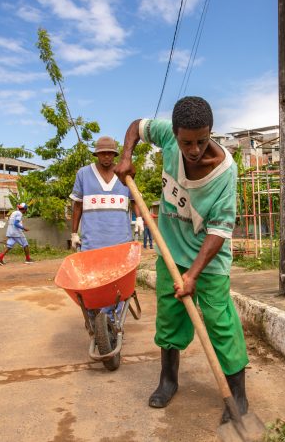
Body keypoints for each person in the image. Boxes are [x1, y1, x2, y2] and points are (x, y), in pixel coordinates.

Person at [115, 96, 250, 423]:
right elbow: (136, 126)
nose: (194, 149)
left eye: (202, 141)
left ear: (211, 133)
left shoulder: (223, 172)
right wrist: (126, 155)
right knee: (170, 318)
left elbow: (219, 229)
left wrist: (193, 275)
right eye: (186, 141)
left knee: (220, 322)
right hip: (170, 252)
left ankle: (239, 395)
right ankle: (168, 381)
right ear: (174, 134)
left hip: (209, 259)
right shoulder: (168, 139)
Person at [69, 136, 143, 252]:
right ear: (97, 154)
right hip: (92, 245)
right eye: (103, 153)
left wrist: (139, 218)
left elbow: (135, 199)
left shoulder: (124, 174)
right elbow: (77, 205)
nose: (107, 156)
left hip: (122, 243)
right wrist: (74, 233)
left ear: (115, 155)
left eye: (110, 153)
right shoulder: (83, 174)